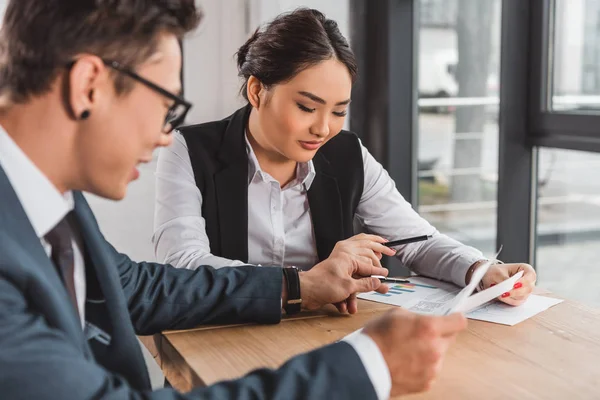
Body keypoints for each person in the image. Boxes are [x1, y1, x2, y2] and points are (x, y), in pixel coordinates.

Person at [0, 1, 467, 399]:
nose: (165, 135)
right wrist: (368, 365)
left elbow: (138, 288)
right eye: (166, 107)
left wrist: (300, 287)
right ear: (88, 86)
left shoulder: (49, 204)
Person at [153, 8, 537, 307]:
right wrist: (301, 286)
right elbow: (183, 266)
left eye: (338, 111)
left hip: (323, 338)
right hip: (221, 338)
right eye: (307, 107)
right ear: (257, 91)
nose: (323, 128)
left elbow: (417, 242)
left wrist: (480, 269)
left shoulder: (346, 153)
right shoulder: (188, 150)